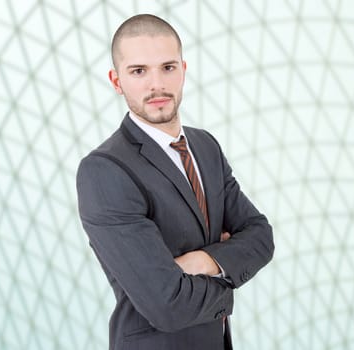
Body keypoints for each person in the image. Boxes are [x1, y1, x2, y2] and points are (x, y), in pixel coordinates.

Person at [76, 14, 274, 350]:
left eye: (167, 68)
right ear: (116, 80)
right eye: (139, 71)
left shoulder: (205, 146)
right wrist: (227, 275)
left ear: (183, 70)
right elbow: (167, 304)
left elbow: (260, 236)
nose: (157, 85)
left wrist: (201, 262)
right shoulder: (104, 171)